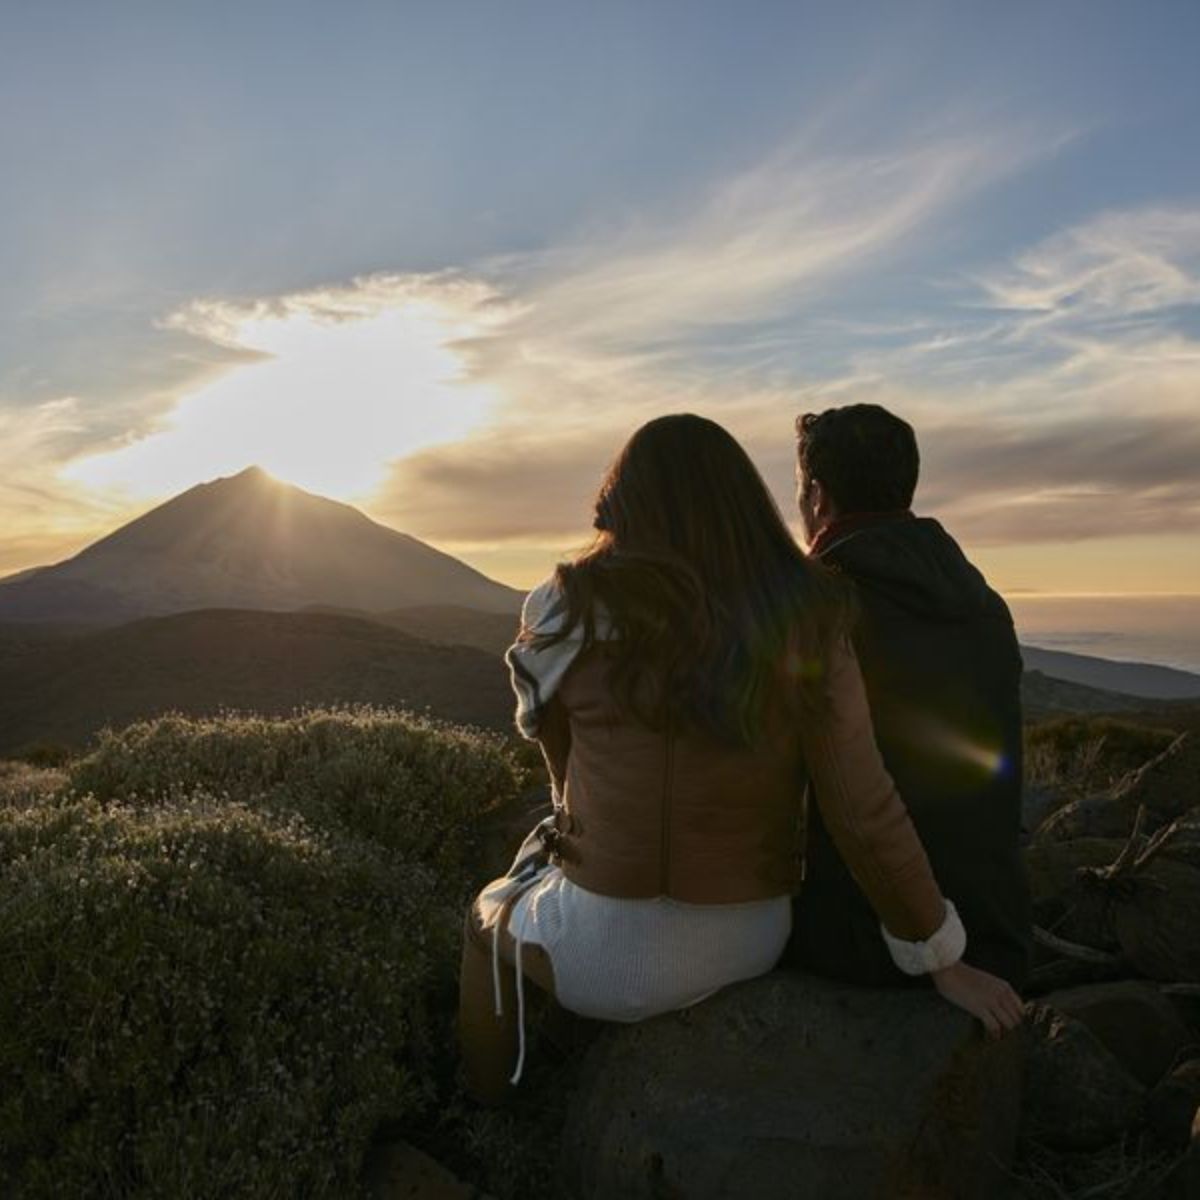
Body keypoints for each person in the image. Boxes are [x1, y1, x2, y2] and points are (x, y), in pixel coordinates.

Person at [458, 414, 1023, 1104]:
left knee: (486, 919)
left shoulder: (562, 609)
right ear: (747, 502)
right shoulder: (809, 614)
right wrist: (940, 958)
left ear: (622, 501)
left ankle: (488, 1108)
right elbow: (862, 809)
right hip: (749, 939)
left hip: (599, 953)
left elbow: (561, 772)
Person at [784, 404, 1032, 989]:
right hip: (994, 930)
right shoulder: (982, 603)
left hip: (866, 938)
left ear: (816, 496)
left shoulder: (817, 611)